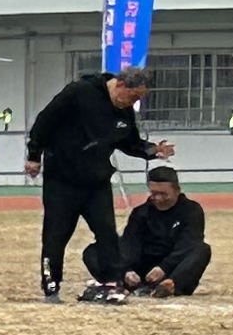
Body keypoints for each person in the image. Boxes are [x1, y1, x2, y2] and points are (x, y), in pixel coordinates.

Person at [27, 64, 173, 303]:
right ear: (122, 85)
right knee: (55, 236)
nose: (133, 104)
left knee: (107, 234)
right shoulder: (79, 92)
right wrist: (34, 155)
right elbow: (45, 121)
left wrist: (153, 150)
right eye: (133, 97)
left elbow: (130, 143)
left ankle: (111, 284)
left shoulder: (124, 113)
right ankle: (51, 286)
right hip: (61, 181)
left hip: (96, 182)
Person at [114, 163, 211, 299]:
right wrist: (128, 270)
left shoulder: (191, 211)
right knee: (96, 249)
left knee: (202, 249)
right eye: (154, 193)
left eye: (163, 194)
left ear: (177, 190)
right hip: (142, 270)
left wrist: (164, 268)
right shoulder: (140, 213)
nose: (158, 199)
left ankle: (169, 286)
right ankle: (121, 283)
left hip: (173, 268)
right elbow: (130, 244)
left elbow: (189, 243)